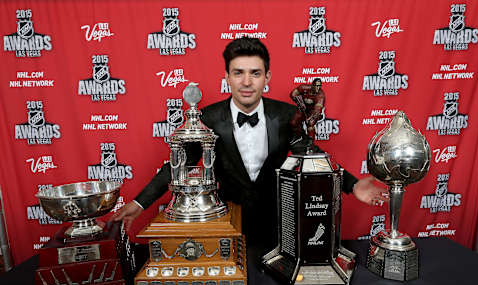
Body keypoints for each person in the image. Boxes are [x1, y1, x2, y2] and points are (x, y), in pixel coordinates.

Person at [110, 38, 387, 250]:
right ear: (227, 77)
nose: (246, 82)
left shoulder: (285, 115)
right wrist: (138, 203)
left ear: (267, 77)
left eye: (255, 73)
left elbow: (311, 154)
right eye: (238, 72)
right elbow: (177, 166)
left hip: (278, 226)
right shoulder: (208, 118)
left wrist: (352, 185)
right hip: (225, 224)